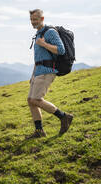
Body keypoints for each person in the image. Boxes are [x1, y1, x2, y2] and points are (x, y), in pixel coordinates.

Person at [26, 9, 73, 139]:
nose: (33, 22)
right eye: (31, 19)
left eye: (35, 19)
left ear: (42, 19)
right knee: (31, 101)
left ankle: (64, 117)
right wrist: (32, 75)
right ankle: (39, 131)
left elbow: (61, 50)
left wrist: (44, 44)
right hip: (38, 72)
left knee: (36, 99)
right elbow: (38, 58)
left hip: (47, 71)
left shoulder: (50, 32)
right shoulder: (38, 34)